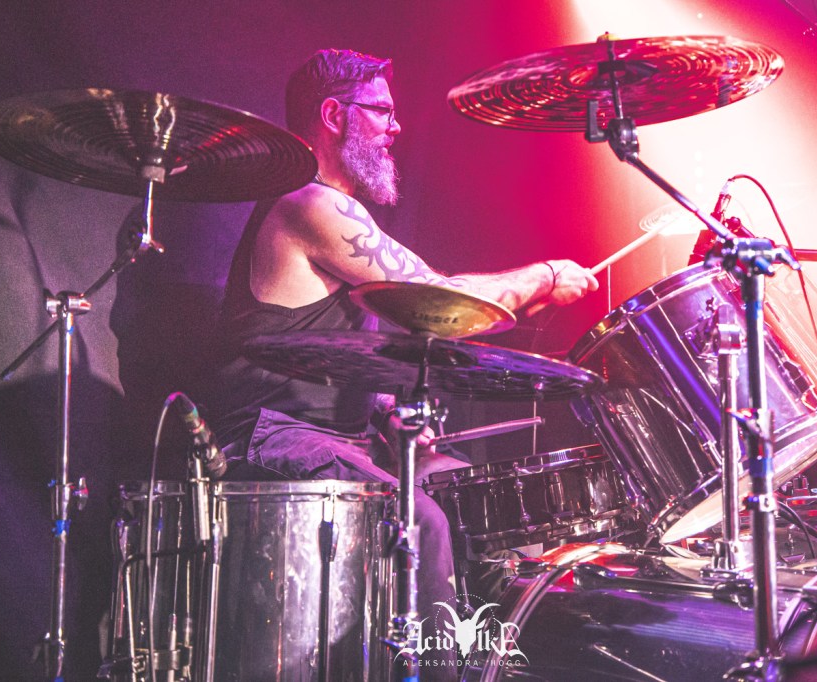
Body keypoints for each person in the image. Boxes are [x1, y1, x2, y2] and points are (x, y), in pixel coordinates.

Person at [204, 48, 597, 675]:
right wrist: (543, 276)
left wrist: (384, 409)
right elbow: (437, 298)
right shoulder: (307, 203)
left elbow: (324, 348)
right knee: (422, 520)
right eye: (381, 111)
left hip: (338, 436)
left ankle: (484, 663)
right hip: (270, 436)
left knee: (471, 491)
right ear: (334, 115)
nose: (395, 127)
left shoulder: (332, 208)